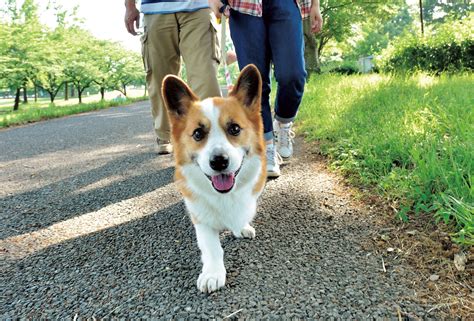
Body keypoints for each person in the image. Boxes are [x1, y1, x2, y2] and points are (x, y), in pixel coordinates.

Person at [209, 0, 323, 177]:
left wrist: (315, 4)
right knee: (255, 82)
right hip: (242, 6)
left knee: (293, 75)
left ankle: (283, 123)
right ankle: (266, 147)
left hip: (286, 4)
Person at [124, 0, 221, 154]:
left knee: (205, 75)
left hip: (198, 8)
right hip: (154, 10)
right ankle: (165, 134)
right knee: (160, 78)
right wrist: (129, 6)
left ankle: (210, 134)